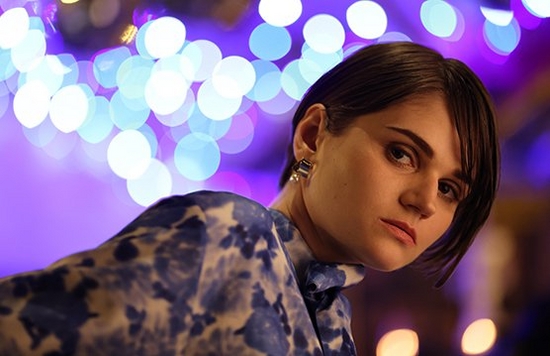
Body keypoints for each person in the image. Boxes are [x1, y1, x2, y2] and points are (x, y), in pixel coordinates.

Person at [0, 41, 499, 355]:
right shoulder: (227, 238)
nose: (426, 201)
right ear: (313, 135)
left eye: (451, 189)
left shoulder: (332, 321)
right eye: (401, 153)